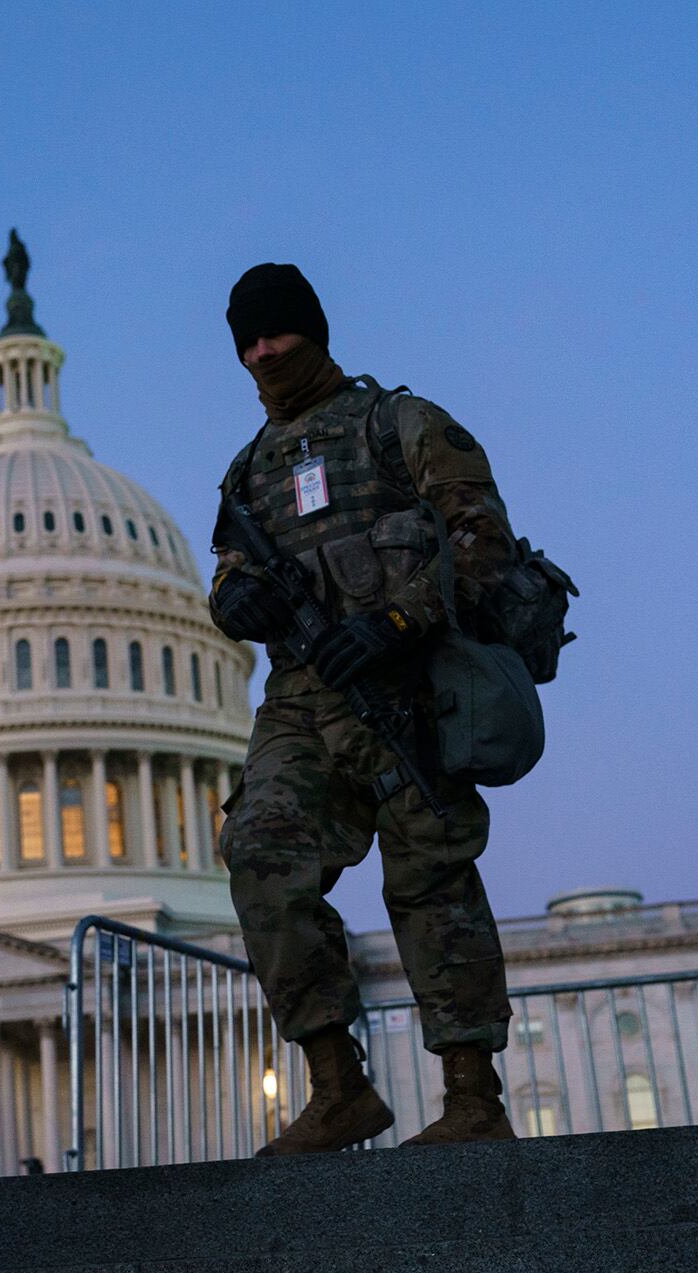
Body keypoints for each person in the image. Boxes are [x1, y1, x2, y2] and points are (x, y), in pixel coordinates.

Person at [209, 263, 519, 1153]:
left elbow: (482, 541)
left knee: (431, 881)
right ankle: (336, 1082)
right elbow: (228, 573)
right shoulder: (249, 470)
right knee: (258, 849)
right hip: (303, 700)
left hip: (408, 687)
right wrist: (238, 604)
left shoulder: (401, 425)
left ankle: (471, 1096)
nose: (263, 351)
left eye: (276, 332)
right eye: (248, 341)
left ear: (315, 329)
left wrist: (394, 622)